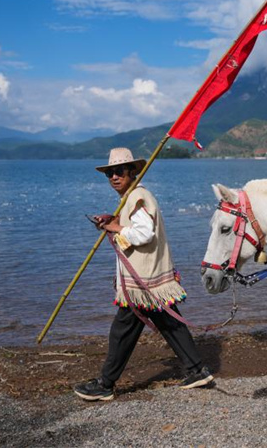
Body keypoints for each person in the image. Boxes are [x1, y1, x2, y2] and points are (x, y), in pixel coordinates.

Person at [74, 147, 213, 401]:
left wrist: (116, 227)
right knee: (169, 323)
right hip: (149, 279)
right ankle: (197, 371)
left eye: (119, 171)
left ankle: (105, 384)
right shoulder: (132, 197)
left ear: (132, 172)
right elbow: (135, 229)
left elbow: (144, 233)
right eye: (110, 173)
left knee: (122, 330)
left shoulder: (138, 197)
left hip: (142, 283)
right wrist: (113, 223)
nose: (114, 177)